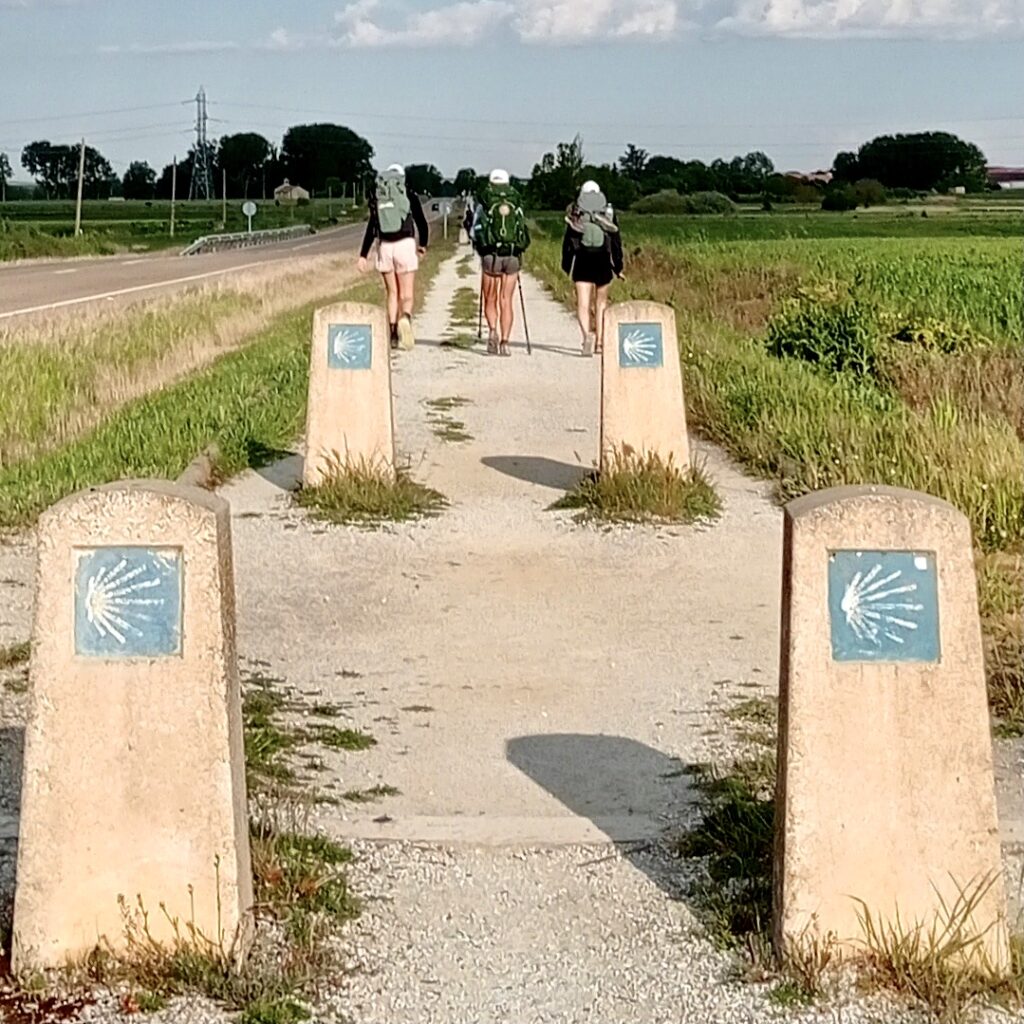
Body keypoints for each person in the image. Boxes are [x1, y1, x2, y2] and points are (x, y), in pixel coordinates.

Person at [358, 164, 429, 350]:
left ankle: (392, 333)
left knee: (392, 293)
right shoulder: (408, 195)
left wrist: (363, 255)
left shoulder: (378, 196)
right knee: (407, 294)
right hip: (405, 244)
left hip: (385, 247)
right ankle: (405, 317)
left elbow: (372, 227)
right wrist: (422, 246)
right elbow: (422, 223)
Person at [562, 180, 624, 356]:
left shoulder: (576, 211)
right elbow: (616, 240)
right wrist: (618, 267)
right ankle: (600, 342)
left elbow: (568, 241)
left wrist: (567, 264)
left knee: (583, 303)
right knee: (601, 302)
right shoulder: (607, 212)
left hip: (582, 259)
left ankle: (586, 335)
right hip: (602, 259)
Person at [472, 169, 530, 357]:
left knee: (490, 297)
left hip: (490, 255)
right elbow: (522, 227)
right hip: (512, 256)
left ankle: (492, 332)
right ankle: (505, 342)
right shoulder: (516, 199)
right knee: (506, 300)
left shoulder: (484, 200)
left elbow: (475, 230)